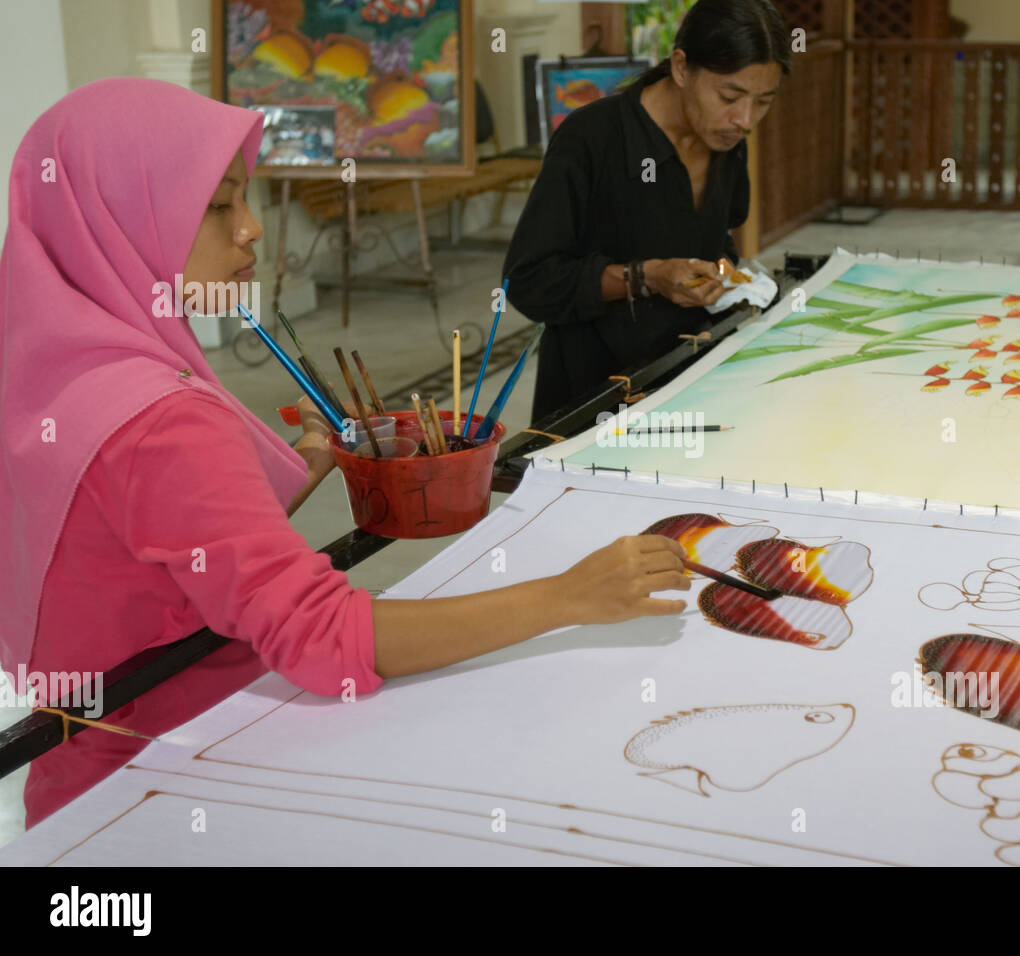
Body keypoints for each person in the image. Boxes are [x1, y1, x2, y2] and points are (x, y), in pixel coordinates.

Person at [0, 78, 691, 829]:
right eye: (218, 204)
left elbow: (152, 544)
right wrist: (569, 596)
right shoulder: (160, 421)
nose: (252, 230)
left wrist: (310, 458)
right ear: (122, 218)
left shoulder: (59, 369)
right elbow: (321, 638)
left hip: (74, 780)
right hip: (167, 791)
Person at [503, 0, 790, 422]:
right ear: (680, 67)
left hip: (691, 376)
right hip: (594, 395)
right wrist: (646, 277)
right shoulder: (592, 139)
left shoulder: (727, 139)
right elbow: (528, 281)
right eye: (730, 96)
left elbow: (718, 238)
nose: (744, 119)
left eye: (763, 101)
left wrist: (726, 274)